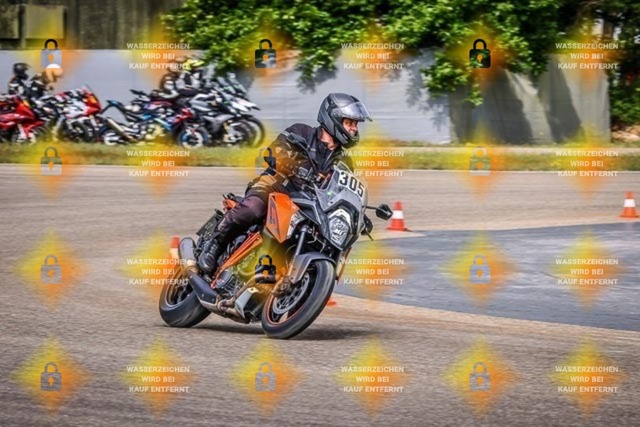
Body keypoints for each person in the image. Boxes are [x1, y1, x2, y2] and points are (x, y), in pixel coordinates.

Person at [199, 92, 372, 274]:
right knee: (253, 209)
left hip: (309, 205)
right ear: (333, 119)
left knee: (322, 239)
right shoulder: (301, 132)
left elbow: (343, 191)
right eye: (349, 123)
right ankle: (214, 245)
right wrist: (291, 164)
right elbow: (274, 151)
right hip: (276, 187)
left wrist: (358, 214)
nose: (354, 129)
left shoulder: (345, 162)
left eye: (355, 124)